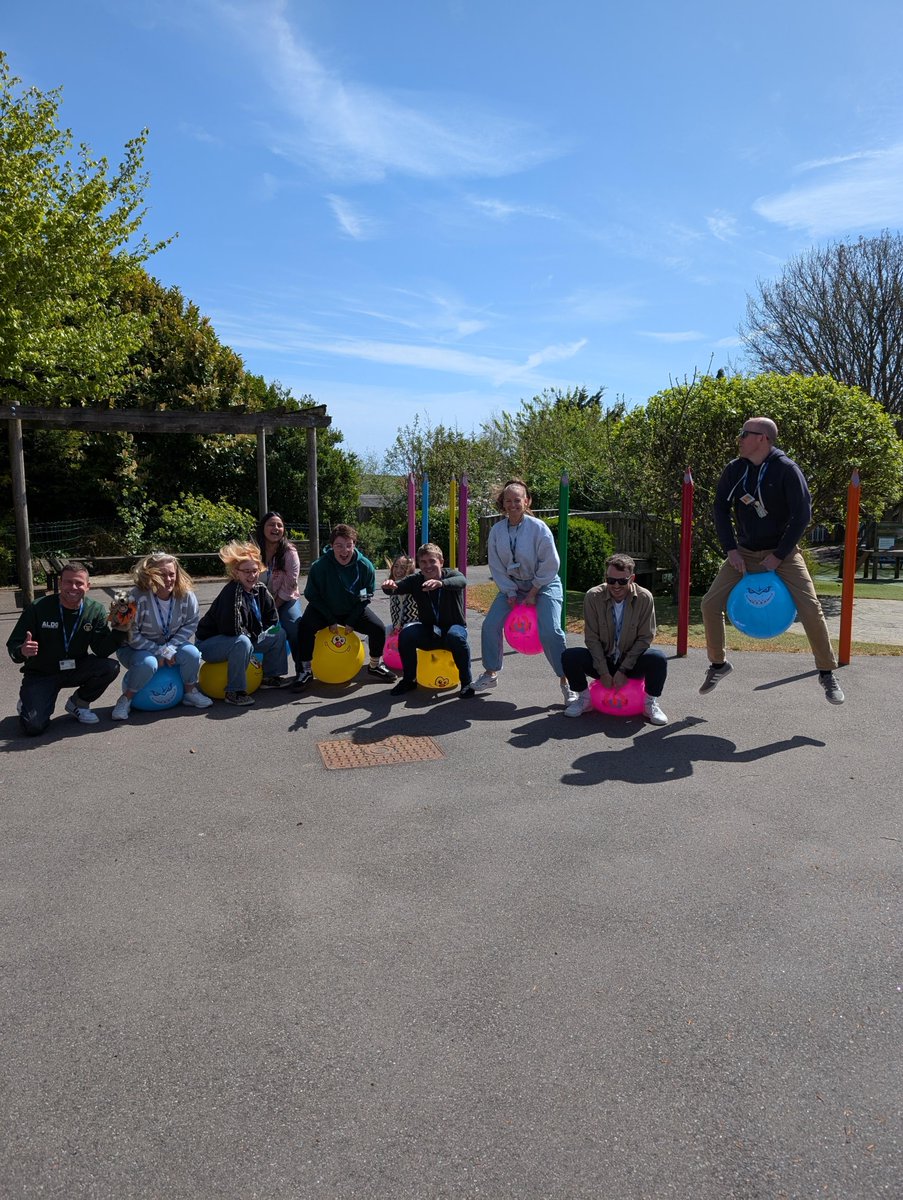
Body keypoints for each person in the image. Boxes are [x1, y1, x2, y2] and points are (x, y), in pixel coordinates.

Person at [700, 416, 844, 704]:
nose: (739, 439)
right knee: (710, 604)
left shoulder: (787, 470)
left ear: (762, 438)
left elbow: (802, 515)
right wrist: (731, 549)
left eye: (744, 433)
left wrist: (779, 555)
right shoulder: (735, 469)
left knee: (811, 608)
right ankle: (718, 664)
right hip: (744, 553)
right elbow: (720, 509)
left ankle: (827, 673)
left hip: (783, 554)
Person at [472, 479, 576, 705]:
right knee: (490, 625)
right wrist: (510, 592)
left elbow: (550, 563)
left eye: (517, 500)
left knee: (551, 631)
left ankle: (567, 681)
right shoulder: (497, 531)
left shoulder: (538, 528)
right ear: (503, 503)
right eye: (508, 501)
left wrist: (534, 591)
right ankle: (490, 673)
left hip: (544, 583)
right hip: (513, 585)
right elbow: (496, 566)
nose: (513, 505)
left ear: (527, 501)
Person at [7, 560, 129, 736]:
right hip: (42, 673)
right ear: (60, 583)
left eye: (79, 583)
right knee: (34, 727)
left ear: (88, 586)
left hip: (75, 667)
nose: (73, 587)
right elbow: (14, 643)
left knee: (110, 667)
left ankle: (78, 703)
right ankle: (28, 701)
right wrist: (22, 651)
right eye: (68, 582)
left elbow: (101, 650)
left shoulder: (94, 610)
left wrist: (120, 629)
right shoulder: (38, 607)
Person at [561, 553, 668, 725]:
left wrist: (623, 670)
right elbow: (592, 638)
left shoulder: (644, 598)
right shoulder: (592, 596)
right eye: (611, 580)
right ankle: (585, 699)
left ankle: (649, 703)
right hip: (604, 660)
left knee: (658, 658)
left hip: (631, 662)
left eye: (622, 581)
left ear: (632, 578)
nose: (616, 586)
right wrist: (603, 672)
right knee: (570, 656)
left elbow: (645, 638)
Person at [111, 551, 213, 720]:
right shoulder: (132, 598)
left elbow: (191, 623)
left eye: (172, 574)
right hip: (133, 648)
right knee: (148, 662)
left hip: (169, 644)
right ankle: (126, 699)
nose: (168, 579)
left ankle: (190, 692)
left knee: (192, 653)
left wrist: (169, 648)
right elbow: (129, 634)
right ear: (149, 575)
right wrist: (158, 651)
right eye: (161, 574)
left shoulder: (186, 595)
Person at [292, 524, 395, 689]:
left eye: (349, 545)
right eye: (339, 546)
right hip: (324, 609)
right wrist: (330, 619)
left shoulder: (365, 566)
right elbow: (312, 595)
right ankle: (305, 670)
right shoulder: (319, 566)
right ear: (331, 546)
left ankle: (375, 665)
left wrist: (352, 620)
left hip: (352, 609)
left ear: (354, 544)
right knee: (305, 627)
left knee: (378, 628)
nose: (344, 550)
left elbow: (365, 597)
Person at [196, 541, 289, 706]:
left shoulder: (260, 589)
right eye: (246, 571)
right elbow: (231, 629)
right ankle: (234, 691)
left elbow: (272, 618)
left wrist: (269, 631)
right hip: (211, 643)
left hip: (245, 637)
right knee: (242, 642)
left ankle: (270, 677)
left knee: (278, 634)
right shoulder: (231, 592)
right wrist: (255, 637)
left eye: (255, 571)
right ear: (235, 572)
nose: (252, 575)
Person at [382, 543, 474, 698]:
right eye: (423, 562)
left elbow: (462, 581)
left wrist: (441, 584)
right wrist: (388, 586)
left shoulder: (451, 575)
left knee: (456, 636)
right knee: (406, 635)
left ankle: (467, 683)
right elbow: (395, 588)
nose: (428, 566)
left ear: (441, 562)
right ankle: (409, 680)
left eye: (432, 561)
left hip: (453, 629)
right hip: (430, 631)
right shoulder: (416, 580)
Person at [254, 511, 302, 681]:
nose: (276, 528)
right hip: (257, 601)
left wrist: (273, 607)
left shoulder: (289, 552)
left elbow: (290, 584)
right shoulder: (252, 550)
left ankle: (302, 669)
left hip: (285, 599)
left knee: (294, 626)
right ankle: (252, 671)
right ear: (263, 528)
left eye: (279, 525)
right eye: (271, 524)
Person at [385, 554, 419, 631]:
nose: (398, 570)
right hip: (398, 628)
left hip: (413, 628)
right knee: (383, 631)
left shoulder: (413, 587)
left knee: (407, 629)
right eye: (396, 566)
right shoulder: (392, 587)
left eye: (403, 568)